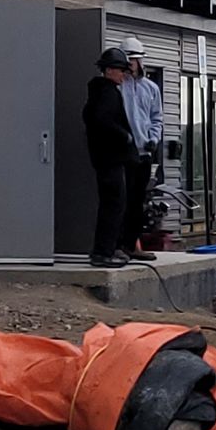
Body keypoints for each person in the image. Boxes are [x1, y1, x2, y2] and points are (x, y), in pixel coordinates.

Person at [82, 47, 137, 267]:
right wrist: (124, 136)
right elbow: (102, 121)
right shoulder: (107, 93)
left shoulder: (98, 93)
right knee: (114, 204)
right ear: (110, 70)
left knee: (112, 203)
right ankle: (104, 252)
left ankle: (107, 249)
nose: (124, 75)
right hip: (110, 158)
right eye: (121, 70)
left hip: (104, 158)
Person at [120, 37, 164, 257]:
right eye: (127, 59)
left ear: (140, 62)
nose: (131, 64)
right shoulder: (118, 87)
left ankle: (132, 245)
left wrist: (153, 139)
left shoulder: (151, 89)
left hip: (144, 153)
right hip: (124, 153)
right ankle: (120, 246)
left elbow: (157, 118)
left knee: (137, 203)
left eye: (134, 60)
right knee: (122, 200)